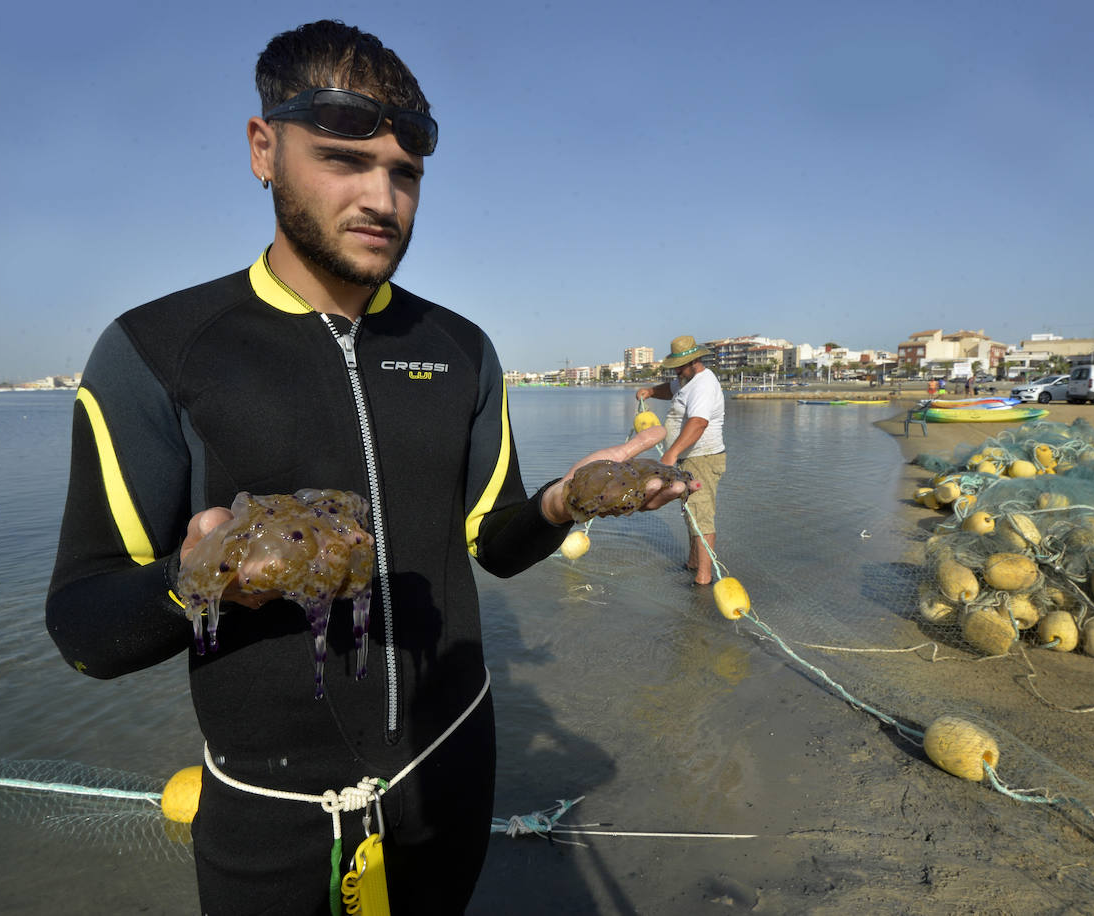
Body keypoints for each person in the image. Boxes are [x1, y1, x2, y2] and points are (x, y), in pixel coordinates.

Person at [45, 21, 691, 916]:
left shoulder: (460, 348)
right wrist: (200, 576)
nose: (382, 197)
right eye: (345, 160)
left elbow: (490, 545)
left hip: (450, 775)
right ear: (263, 148)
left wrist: (563, 501)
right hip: (270, 820)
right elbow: (83, 630)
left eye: (406, 174)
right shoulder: (157, 350)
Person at [635, 335, 727, 586]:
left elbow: (698, 423)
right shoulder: (687, 380)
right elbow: (670, 389)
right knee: (691, 513)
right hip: (690, 458)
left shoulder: (703, 385)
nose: (676, 371)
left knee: (702, 514)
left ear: (695, 361)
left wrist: (672, 453)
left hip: (702, 458)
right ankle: (693, 563)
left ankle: (703, 578)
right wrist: (651, 392)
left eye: (680, 366)